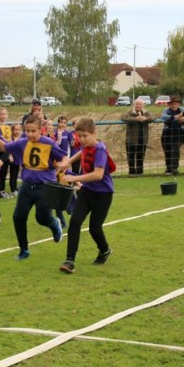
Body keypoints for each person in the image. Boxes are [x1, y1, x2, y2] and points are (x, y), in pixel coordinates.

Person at [4, 115, 68, 260]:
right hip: (26, 185)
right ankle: (24, 250)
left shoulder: (48, 143)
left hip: (45, 186)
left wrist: (63, 163)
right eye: (27, 131)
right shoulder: (22, 142)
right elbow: (4, 146)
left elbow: (63, 156)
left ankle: (54, 223)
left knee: (42, 218)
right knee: (18, 217)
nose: (30, 134)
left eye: (33, 131)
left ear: (40, 130)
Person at [58, 117, 116, 273]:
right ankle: (70, 260)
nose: (81, 139)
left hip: (103, 194)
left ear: (94, 133)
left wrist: (75, 178)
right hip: (87, 191)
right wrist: (67, 162)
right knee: (75, 221)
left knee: (94, 229)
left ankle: (105, 250)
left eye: (85, 136)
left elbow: (98, 174)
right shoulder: (85, 146)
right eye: (79, 136)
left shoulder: (100, 150)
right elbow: (81, 152)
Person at [159, 95, 184, 175]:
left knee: (176, 150)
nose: (174, 105)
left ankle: (174, 168)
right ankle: (168, 169)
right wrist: (173, 117)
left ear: (178, 104)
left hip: (179, 133)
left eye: (175, 103)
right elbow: (162, 116)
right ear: (169, 104)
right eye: (172, 104)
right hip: (167, 133)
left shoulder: (183, 110)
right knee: (167, 151)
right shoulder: (166, 110)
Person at [122, 98, 153, 174]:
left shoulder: (145, 112)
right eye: (137, 104)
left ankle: (140, 172)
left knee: (141, 156)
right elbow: (123, 117)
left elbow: (153, 117)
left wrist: (145, 118)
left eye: (140, 104)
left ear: (143, 105)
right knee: (131, 156)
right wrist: (135, 119)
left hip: (143, 138)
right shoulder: (129, 112)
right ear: (134, 105)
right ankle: (132, 172)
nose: (138, 106)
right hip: (131, 138)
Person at [0, 106, 19, 198]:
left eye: (5, 114)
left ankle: (2, 190)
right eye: (1, 114)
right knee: (1, 172)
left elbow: (10, 140)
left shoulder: (7, 126)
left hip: (7, 151)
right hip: (2, 151)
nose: (4, 116)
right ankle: (0, 190)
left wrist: (10, 152)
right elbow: (1, 139)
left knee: (5, 172)